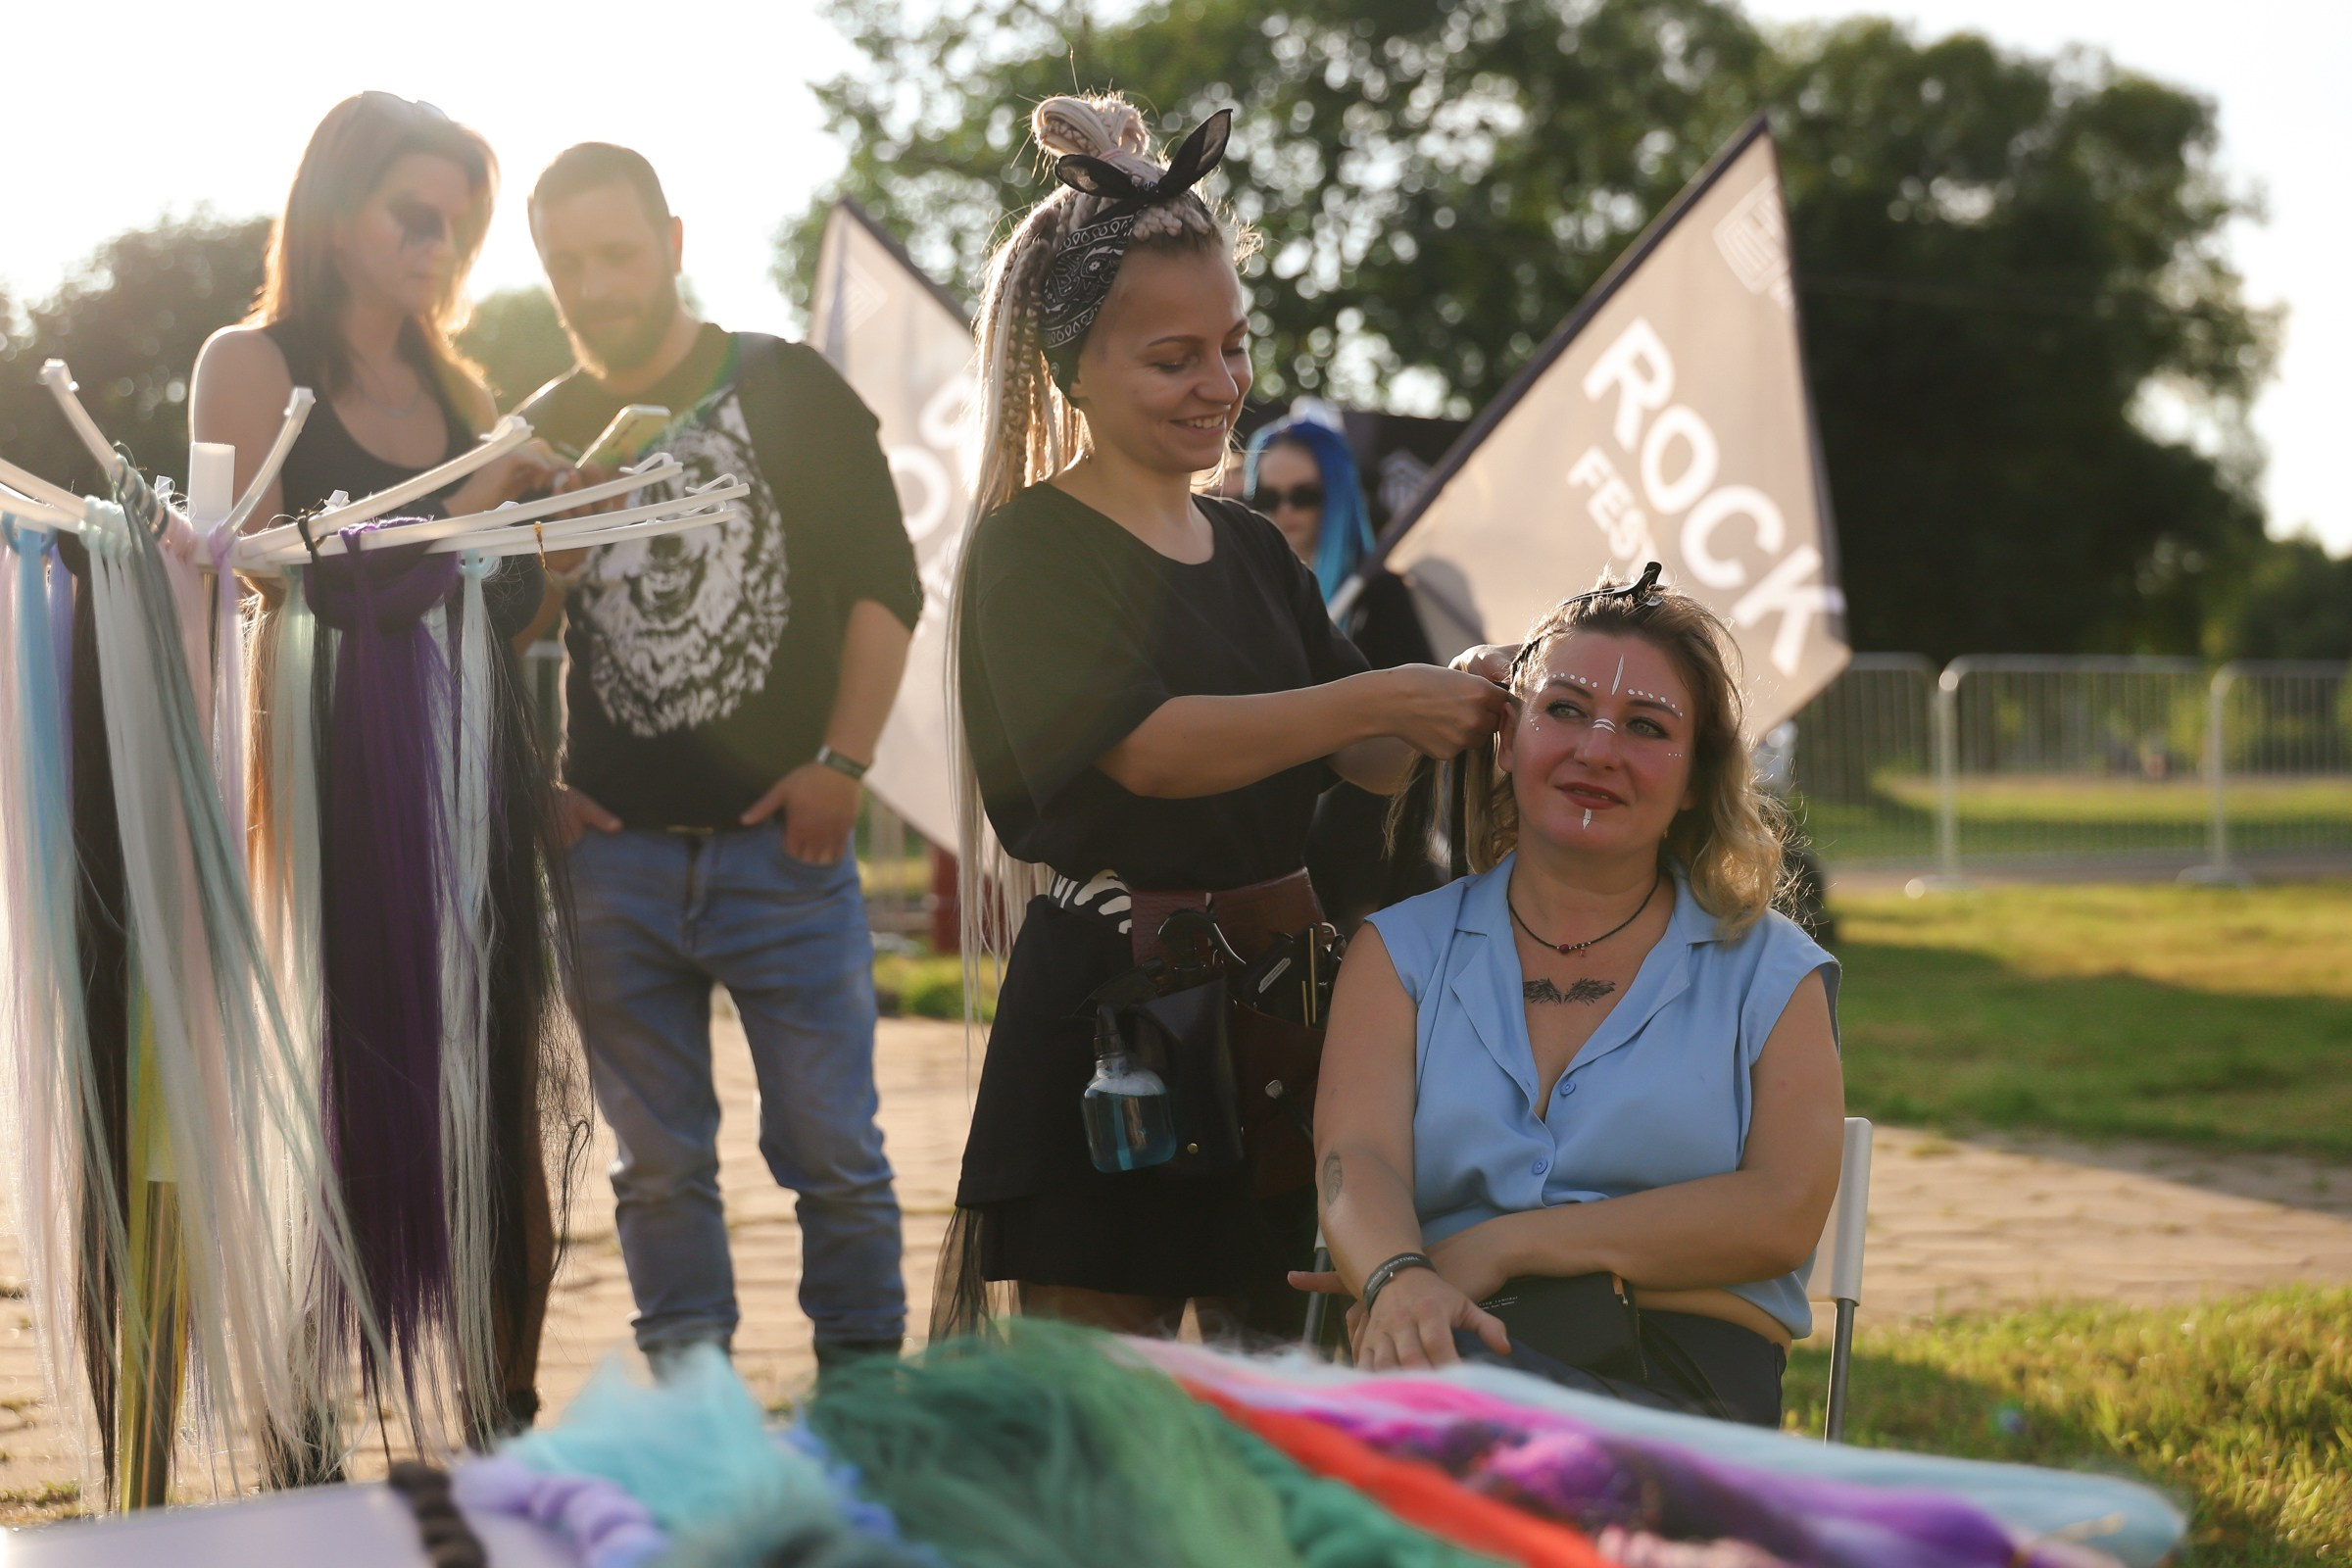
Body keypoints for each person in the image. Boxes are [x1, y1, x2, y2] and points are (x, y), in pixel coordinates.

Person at [941, 93, 1509, 1341]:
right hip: (1114, 1019)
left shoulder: (1252, 546)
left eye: (1235, 345)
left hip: (1282, 1014)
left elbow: (1366, 758)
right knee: (1110, 1410)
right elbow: (1149, 749)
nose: (1221, 385)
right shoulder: (1034, 548)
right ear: (1070, 367)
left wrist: (1465, 690)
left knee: (1278, 1386)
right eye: (1174, 358)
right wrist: (1375, 696)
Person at [189, 89, 573, 1444]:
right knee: (330, 1083)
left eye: (459, 223)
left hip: (478, 775)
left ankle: (500, 1414)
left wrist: (554, 548)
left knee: (498, 1097)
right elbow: (273, 578)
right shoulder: (250, 362)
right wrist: (478, 497)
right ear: (336, 211)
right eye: (416, 214)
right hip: (330, 775)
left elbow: (493, 612)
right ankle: (299, 1428)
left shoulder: (463, 389)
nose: (441, 245)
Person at [517, 142, 916, 1374]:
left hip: (781, 850)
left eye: (618, 253)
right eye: (568, 263)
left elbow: (885, 584)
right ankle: (696, 1418)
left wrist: (843, 764)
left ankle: (865, 1414)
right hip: (613, 865)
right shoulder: (537, 431)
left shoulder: (786, 384)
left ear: (674, 243)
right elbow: (486, 632)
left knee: (835, 1154)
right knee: (656, 1168)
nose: (595, 284)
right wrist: (534, 781)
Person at [1299, 573, 1845, 1427]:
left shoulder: (1771, 970)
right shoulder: (1400, 952)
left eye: (1646, 727)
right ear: (1506, 740)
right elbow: (1355, 1158)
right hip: (1447, 1350)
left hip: (1684, 1394)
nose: (1597, 750)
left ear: (1696, 778)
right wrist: (1399, 1279)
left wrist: (1503, 1246)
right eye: (1564, 710)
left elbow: (1782, 1214)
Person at [1244, 411, 1440, 930]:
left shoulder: (1380, 596)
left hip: (1365, 854)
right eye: (1267, 497)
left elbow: (1412, 732)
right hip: (1265, 852)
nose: (1285, 511)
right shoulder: (1240, 597)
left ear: (1335, 495)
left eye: (1303, 495)